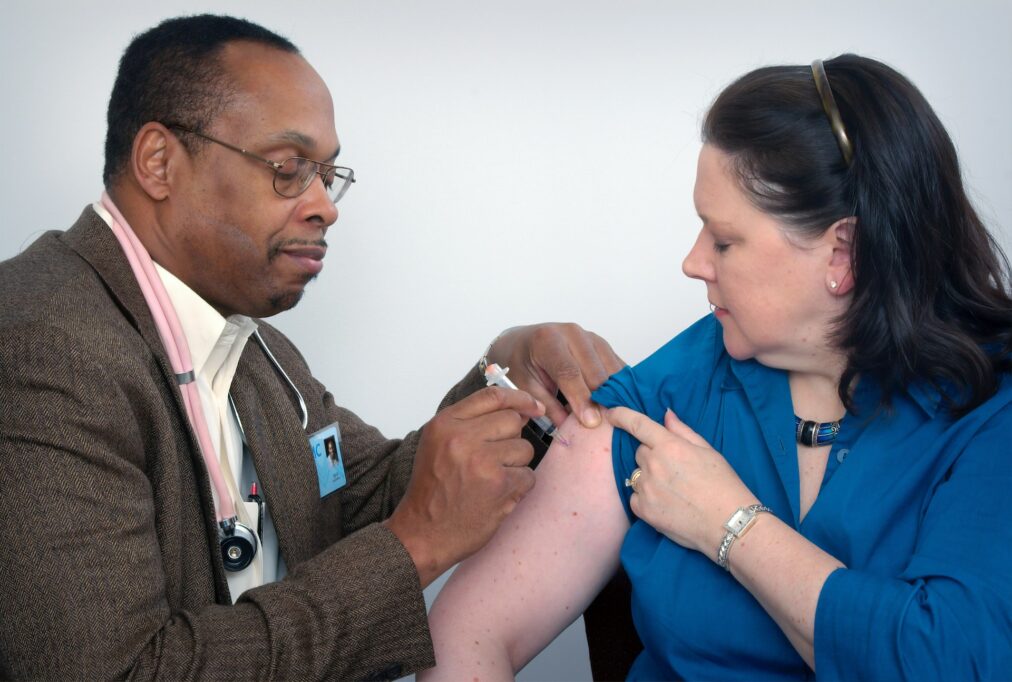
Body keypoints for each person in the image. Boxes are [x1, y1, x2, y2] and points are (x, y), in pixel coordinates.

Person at [0, 14, 625, 681]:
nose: (326, 205)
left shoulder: (255, 348)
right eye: (290, 168)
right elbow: (115, 673)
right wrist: (414, 548)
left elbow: (363, 495)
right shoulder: (43, 345)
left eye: (328, 174)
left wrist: (504, 382)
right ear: (159, 162)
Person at [421, 54, 1012, 680]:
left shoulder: (988, 408)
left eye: (724, 240)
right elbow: (468, 630)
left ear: (843, 252)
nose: (693, 262)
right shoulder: (676, 387)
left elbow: (951, 662)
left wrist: (731, 525)